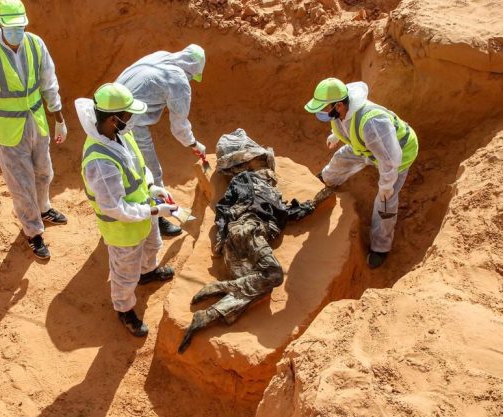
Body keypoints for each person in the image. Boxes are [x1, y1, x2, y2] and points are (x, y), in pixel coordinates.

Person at [178, 130, 332, 353]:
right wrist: (310, 205)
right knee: (273, 275)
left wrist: (222, 238)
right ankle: (219, 287)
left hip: (238, 238)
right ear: (246, 164)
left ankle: (208, 315)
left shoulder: (245, 184)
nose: (267, 169)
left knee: (257, 287)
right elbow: (280, 212)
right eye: (260, 162)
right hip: (249, 231)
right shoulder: (252, 181)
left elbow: (226, 210)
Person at [0, 0, 68, 260]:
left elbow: (49, 82)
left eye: (20, 27)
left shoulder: (35, 44)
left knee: (43, 172)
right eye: (11, 28)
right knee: (21, 183)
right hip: (7, 130)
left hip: (37, 122)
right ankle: (33, 231)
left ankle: (43, 208)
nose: (17, 32)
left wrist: (58, 117)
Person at [75, 83, 177, 337]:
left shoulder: (120, 134)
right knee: (125, 273)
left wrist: (153, 188)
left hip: (143, 211)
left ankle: (148, 272)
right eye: (128, 115)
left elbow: (139, 168)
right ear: (113, 119)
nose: (130, 119)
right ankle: (124, 309)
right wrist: (155, 212)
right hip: (123, 229)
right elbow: (115, 208)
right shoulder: (100, 163)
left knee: (152, 246)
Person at [305, 78, 419, 269]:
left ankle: (381, 247)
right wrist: (336, 136)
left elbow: (390, 161)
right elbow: (346, 126)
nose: (321, 112)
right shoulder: (342, 111)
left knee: (385, 202)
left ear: (338, 105)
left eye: (324, 108)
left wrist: (386, 187)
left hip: (397, 154)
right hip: (365, 147)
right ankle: (327, 180)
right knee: (341, 159)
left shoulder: (372, 124)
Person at [115, 44, 207, 237]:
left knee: (123, 166)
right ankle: (157, 219)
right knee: (151, 171)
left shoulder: (160, 56)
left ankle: (124, 209)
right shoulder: (179, 81)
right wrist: (194, 144)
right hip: (131, 123)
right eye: (193, 76)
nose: (191, 79)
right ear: (192, 69)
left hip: (110, 114)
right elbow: (179, 126)